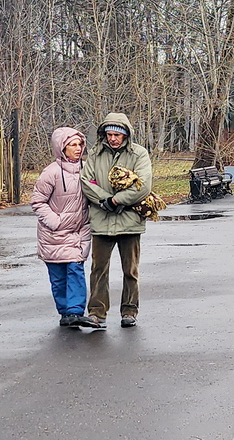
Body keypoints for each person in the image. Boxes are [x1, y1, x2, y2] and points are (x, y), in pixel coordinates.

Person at [80, 112, 153, 329]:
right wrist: (106, 201)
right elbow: (86, 181)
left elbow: (143, 185)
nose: (113, 138)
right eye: (109, 134)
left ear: (126, 135)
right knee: (98, 269)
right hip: (101, 220)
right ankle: (96, 312)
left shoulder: (139, 154)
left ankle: (129, 311)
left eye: (117, 135)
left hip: (129, 219)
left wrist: (118, 200)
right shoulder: (95, 154)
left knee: (130, 269)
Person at [31, 127, 94, 328]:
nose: (78, 149)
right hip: (53, 234)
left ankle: (75, 311)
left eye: (79, 145)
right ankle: (65, 313)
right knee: (58, 277)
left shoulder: (87, 170)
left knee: (75, 269)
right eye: (72, 145)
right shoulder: (51, 173)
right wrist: (55, 221)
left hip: (77, 232)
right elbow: (37, 202)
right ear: (62, 148)